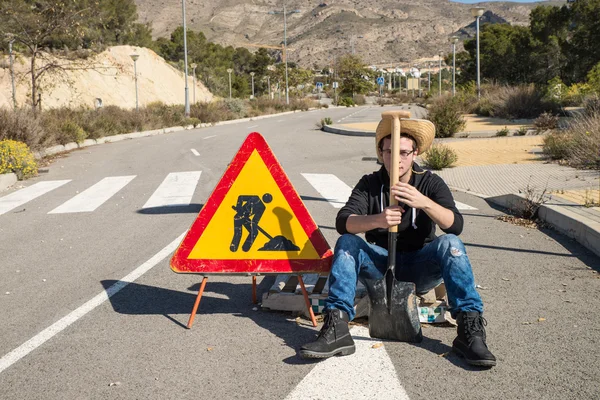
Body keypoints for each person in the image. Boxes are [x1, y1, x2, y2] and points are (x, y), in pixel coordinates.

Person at [299, 114, 496, 368]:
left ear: (415, 154)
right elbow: (343, 222)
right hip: (379, 267)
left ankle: (470, 331)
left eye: (404, 152)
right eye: (390, 151)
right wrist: (378, 220)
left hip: (420, 265)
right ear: (381, 153)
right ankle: (337, 326)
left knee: (450, 244)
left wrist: (422, 202)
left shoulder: (430, 182)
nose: (397, 159)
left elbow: (455, 225)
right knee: (347, 243)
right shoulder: (370, 183)